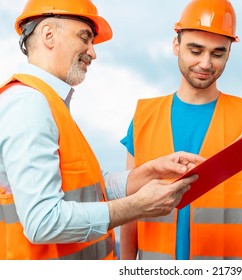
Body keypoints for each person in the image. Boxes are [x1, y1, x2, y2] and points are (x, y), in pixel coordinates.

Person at [0, 0, 204, 260]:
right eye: (85, 38)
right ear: (48, 35)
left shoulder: (45, 102)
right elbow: (43, 222)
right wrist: (136, 207)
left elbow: (81, 187)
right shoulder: (28, 104)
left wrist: (145, 174)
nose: (93, 53)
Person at [120, 0, 242, 260]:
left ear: (229, 52)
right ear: (176, 46)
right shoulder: (143, 119)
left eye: (218, 53)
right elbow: (128, 208)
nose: (206, 63)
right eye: (195, 51)